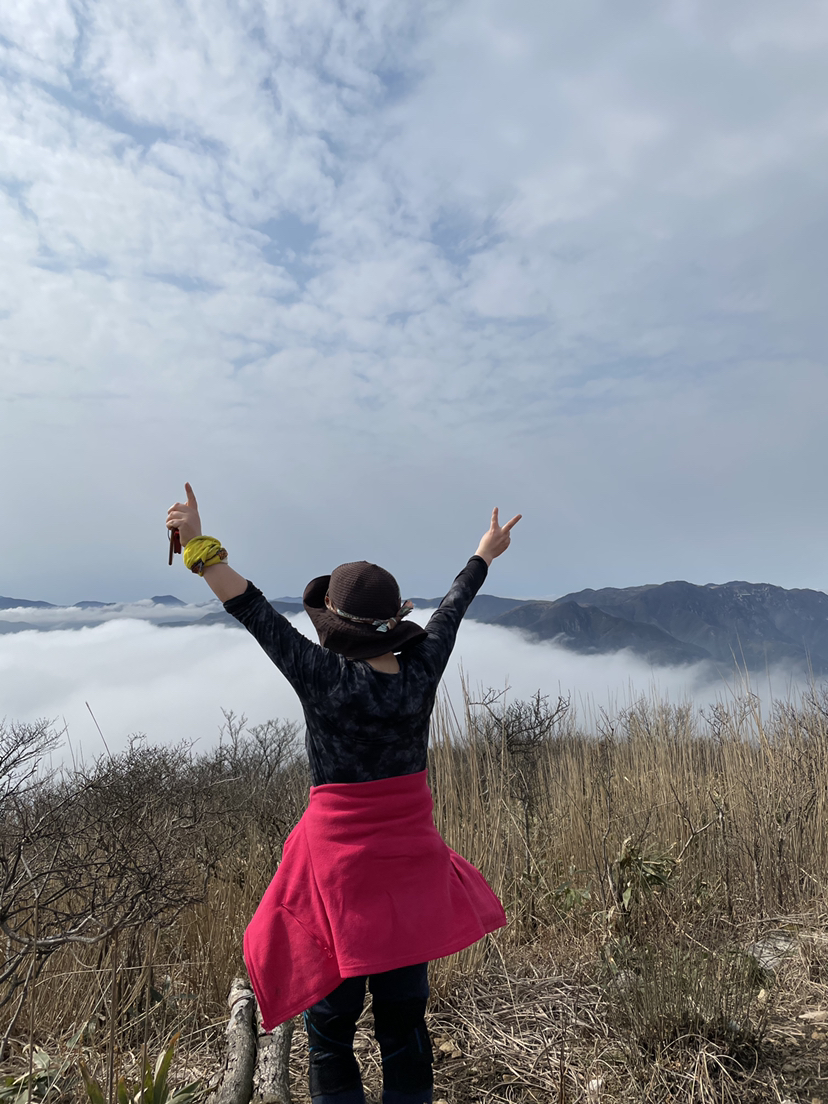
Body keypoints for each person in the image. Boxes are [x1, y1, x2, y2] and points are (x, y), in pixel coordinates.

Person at [166, 484, 521, 1104]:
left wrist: (198, 543)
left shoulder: (321, 675)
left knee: (330, 1036)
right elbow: (452, 610)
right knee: (405, 1029)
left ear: (334, 623)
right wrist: (483, 553)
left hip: (337, 883)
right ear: (394, 621)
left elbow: (250, 608)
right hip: (411, 874)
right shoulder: (422, 670)